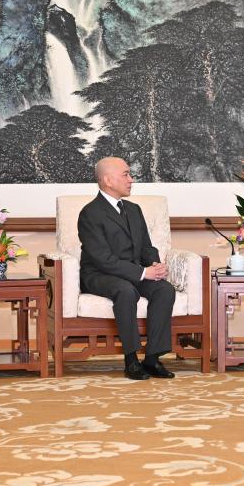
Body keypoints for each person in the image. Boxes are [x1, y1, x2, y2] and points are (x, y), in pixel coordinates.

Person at [78, 157, 176, 380]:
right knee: (125, 291)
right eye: (126, 175)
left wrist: (154, 265)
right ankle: (131, 360)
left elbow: (146, 247)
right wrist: (143, 273)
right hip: (99, 274)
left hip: (133, 272)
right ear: (108, 180)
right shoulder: (90, 213)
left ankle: (152, 359)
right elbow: (102, 259)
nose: (131, 180)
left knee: (164, 289)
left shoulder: (133, 209)